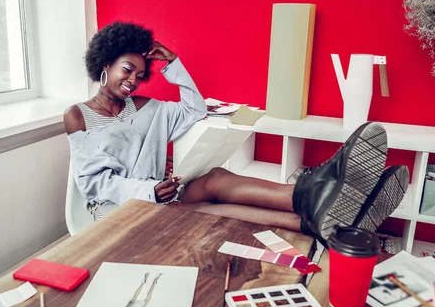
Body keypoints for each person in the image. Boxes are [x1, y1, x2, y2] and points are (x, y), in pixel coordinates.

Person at [64, 22, 409, 241]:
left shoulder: (147, 108)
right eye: (128, 69)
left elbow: (194, 109)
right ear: (105, 63)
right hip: (116, 209)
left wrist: (173, 63)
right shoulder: (78, 116)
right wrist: (149, 190)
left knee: (216, 178)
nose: (133, 80)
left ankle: (313, 195)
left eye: (141, 75)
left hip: (160, 192)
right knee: (208, 208)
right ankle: (322, 219)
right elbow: (95, 184)